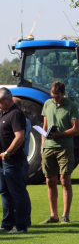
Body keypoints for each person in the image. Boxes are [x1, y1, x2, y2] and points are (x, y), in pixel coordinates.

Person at [40, 81, 79, 224]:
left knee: (65, 180)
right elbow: (44, 127)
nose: (54, 99)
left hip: (65, 147)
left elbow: (77, 130)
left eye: (57, 97)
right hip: (48, 147)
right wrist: (42, 146)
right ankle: (53, 215)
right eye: (52, 96)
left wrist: (58, 135)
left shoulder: (72, 106)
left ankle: (65, 215)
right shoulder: (47, 104)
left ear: (64, 94)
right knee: (49, 181)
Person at [0, 88, 28, 233]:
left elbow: (20, 137)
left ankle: (21, 226)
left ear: (6, 99)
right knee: (5, 192)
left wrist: (7, 152)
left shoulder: (15, 114)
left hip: (12, 160)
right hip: (2, 162)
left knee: (17, 192)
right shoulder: (3, 113)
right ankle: (7, 224)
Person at [12, 97, 32, 227]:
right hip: (15, 159)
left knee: (21, 191)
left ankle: (25, 220)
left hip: (20, 159)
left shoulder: (24, 121)